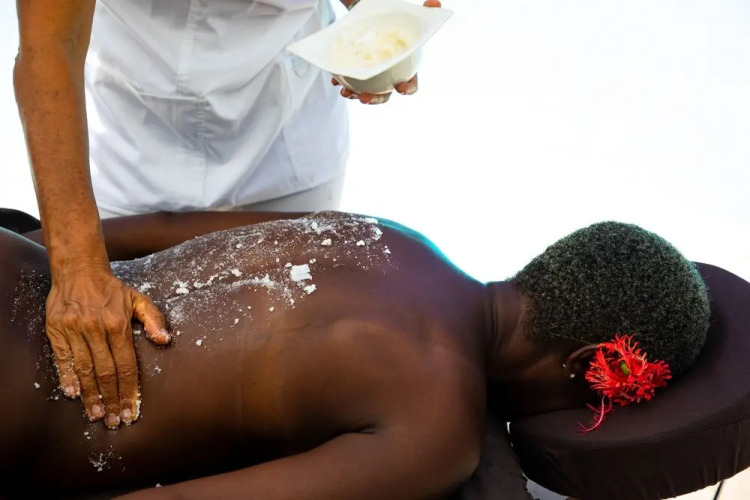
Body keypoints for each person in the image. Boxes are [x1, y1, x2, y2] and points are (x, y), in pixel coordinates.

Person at [0, 209, 709, 499]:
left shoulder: (394, 235)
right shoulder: (438, 430)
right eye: (602, 400)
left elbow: (159, 227)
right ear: (588, 364)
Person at [13, 0, 442, 429]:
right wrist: (78, 267)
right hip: (138, 135)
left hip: (286, 130)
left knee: (285, 360)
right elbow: (48, 44)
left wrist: (376, 16)